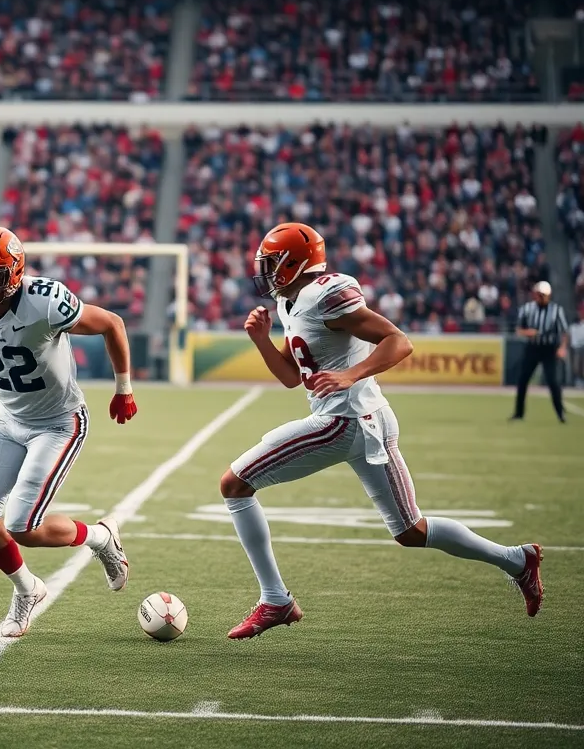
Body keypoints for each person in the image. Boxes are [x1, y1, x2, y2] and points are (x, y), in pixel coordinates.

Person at [221, 222, 543, 640]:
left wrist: (350, 375)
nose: (265, 271)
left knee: (234, 485)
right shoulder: (292, 300)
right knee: (412, 531)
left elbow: (398, 341)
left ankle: (276, 600)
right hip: (370, 420)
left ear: (295, 263)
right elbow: (289, 377)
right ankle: (518, 561)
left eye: (272, 263)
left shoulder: (325, 293)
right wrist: (262, 341)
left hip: (342, 420)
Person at [0, 225, 138, 639]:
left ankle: (100, 536)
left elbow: (111, 323)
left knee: (23, 526)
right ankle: (28, 589)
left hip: (59, 422)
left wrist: (123, 388)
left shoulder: (45, 301)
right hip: (6, 418)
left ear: (15, 273)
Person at [511, 281, 569, 422]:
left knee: (553, 382)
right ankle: (519, 413)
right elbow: (518, 330)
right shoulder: (527, 309)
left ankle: (560, 413)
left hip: (549, 349)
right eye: (537, 294)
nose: (538, 297)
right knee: (523, 379)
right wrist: (528, 332)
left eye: (541, 295)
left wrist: (562, 348)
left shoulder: (556, 310)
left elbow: (565, 332)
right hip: (533, 348)